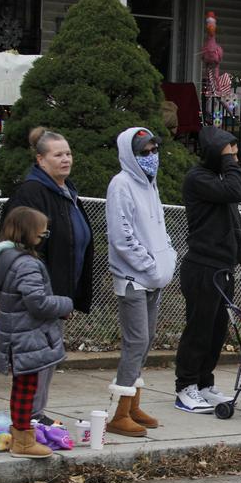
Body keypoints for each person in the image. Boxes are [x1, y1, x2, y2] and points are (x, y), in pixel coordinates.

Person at [1, 127, 95, 426]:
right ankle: (28, 419)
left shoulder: (67, 190)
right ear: (41, 160)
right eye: (58, 154)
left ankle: (35, 415)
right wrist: (45, 296)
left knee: (48, 358)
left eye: (68, 153)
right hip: (38, 296)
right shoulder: (32, 193)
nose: (66, 159)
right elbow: (23, 244)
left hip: (57, 295)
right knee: (36, 360)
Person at [174, 126, 241, 413]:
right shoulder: (198, 179)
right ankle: (185, 387)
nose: (235, 160)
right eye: (229, 154)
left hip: (223, 269)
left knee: (216, 331)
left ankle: (203, 383)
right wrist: (228, 162)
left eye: (235, 155)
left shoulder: (220, 181)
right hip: (202, 267)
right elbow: (237, 190)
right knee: (198, 330)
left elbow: (234, 223)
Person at [0, 207, 73, 459]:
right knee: (26, 389)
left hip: (17, 334)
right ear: (28, 232)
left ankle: (22, 436)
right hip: (28, 336)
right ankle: (23, 441)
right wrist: (65, 304)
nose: (44, 235)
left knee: (23, 388)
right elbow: (37, 303)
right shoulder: (27, 264)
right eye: (41, 231)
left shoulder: (6, 259)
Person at [105, 127, 177, 436]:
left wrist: (167, 258)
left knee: (145, 342)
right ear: (130, 155)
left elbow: (157, 229)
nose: (150, 157)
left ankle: (133, 404)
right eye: (143, 152)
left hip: (153, 277)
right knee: (135, 342)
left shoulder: (151, 185)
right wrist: (148, 265)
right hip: (133, 278)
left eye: (153, 150)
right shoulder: (121, 185)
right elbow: (122, 236)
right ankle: (118, 412)